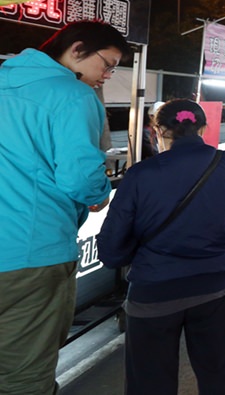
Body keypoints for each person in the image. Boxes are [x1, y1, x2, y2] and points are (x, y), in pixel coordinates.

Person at [0, 20, 128, 393]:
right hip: (31, 251)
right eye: (107, 64)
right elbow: (78, 177)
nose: (107, 75)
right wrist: (99, 192)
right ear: (77, 49)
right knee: (24, 370)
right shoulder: (71, 95)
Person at [97, 99, 225, 395]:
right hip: (215, 288)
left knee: (150, 383)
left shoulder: (141, 175)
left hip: (154, 293)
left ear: (157, 130)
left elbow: (110, 249)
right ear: (204, 128)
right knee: (217, 378)